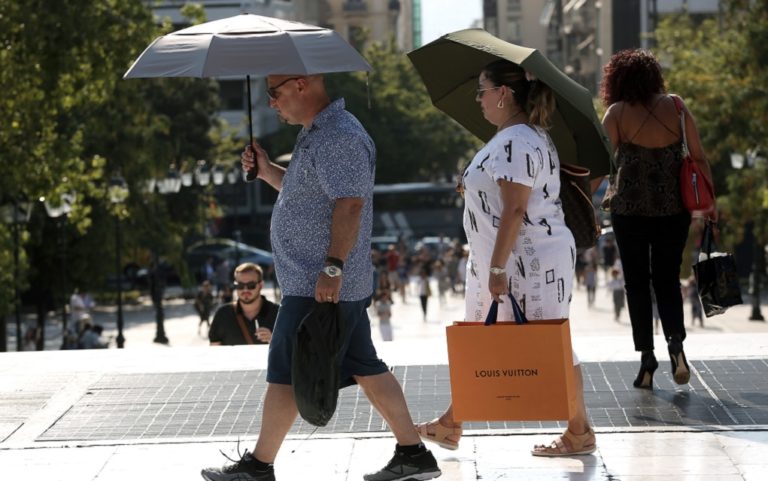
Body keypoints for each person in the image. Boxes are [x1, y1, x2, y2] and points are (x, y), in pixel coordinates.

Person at [201, 74, 440, 481]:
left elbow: (349, 205)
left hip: (320, 284)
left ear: (302, 85)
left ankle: (259, 466)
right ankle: (413, 454)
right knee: (364, 365)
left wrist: (332, 267)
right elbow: (305, 195)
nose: (272, 103)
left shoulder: (338, 136)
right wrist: (266, 171)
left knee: (288, 369)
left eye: (274, 93)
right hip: (320, 282)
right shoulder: (318, 133)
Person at [414, 59, 595, 457]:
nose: (477, 98)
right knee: (487, 338)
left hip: (527, 263)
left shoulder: (517, 141)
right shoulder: (515, 138)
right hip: (505, 260)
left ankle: (578, 432)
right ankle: (452, 422)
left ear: (504, 93)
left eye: (482, 89)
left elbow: (515, 209)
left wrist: (497, 268)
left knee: (551, 342)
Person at [599, 49, 714, 389]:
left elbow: (600, 164)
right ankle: (676, 345)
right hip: (672, 210)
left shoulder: (617, 113)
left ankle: (647, 359)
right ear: (654, 77)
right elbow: (699, 156)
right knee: (666, 280)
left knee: (636, 283)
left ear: (617, 80)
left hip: (629, 211)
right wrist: (709, 207)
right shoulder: (676, 106)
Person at [208, 263, 276, 346]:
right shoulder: (222, 314)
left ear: (261, 285)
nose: (245, 289)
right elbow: (214, 352)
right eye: (240, 285)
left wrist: (274, 340)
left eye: (251, 285)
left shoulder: (279, 314)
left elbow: (291, 351)